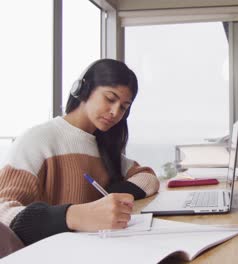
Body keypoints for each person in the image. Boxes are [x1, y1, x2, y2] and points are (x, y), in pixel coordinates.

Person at [0, 59, 160, 246]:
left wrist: (113, 196)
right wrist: (73, 215)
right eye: (110, 99)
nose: (115, 112)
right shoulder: (39, 139)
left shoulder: (101, 146)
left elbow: (147, 177)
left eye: (124, 107)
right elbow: (3, 212)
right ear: (83, 90)